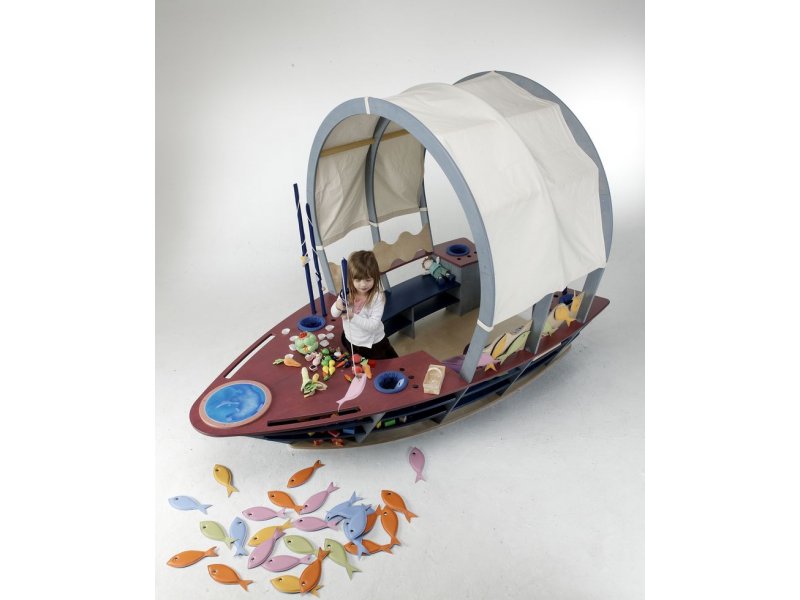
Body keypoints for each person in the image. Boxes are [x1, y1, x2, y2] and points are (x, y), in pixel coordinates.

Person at [330, 250, 399, 360]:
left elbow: (373, 326)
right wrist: (337, 306)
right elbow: (334, 314)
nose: (363, 284)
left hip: (374, 344)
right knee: (362, 367)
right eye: (358, 280)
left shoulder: (378, 297)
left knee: (389, 365)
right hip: (352, 340)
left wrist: (352, 317)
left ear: (375, 277)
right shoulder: (346, 293)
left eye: (368, 280)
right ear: (351, 279)